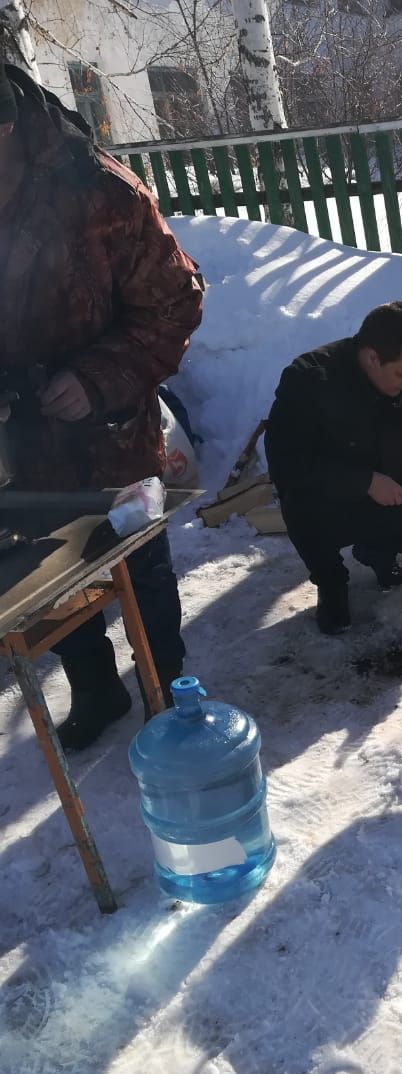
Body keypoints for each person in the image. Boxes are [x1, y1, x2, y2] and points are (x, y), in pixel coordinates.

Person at [0, 61, 204, 750]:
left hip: (114, 430)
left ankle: (168, 688)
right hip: (22, 446)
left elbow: (177, 302)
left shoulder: (101, 195)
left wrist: (95, 380)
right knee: (51, 576)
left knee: (139, 564)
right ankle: (96, 688)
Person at [264, 301, 402, 634]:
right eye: (401, 374)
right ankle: (332, 582)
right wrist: (363, 481)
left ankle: (379, 553)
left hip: (392, 496)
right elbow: (287, 465)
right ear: (372, 357)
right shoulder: (310, 381)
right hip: (331, 504)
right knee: (300, 502)